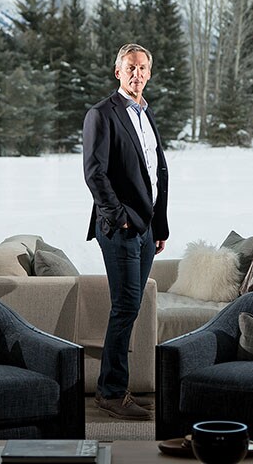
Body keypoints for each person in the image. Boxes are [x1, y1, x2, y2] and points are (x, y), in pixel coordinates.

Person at [83, 43, 169, 420]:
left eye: (143, 68)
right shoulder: (102, 114)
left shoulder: (146, 114)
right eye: (130, 68)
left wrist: (159, 226)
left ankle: (116, 387)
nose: (137, 74)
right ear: (118, 72)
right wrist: (119, 217)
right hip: (120, 228)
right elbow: (94, 172)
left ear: (149, 73)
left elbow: (154, 173)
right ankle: (111, 392)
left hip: (146, 229)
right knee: (126, 306)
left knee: (129, 308)